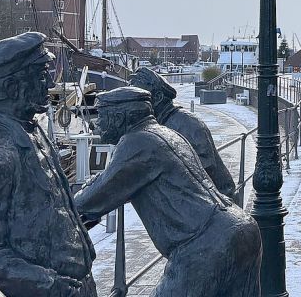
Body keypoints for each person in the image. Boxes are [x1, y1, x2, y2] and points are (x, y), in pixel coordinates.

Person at [74, 87, 261, 296]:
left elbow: (90, 201)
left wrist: (75, 193)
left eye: (101, 116)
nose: (95, 123)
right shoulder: (167, 133)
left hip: (204, 245)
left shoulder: (136, 142)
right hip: (239, 227)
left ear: (119, 118)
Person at [0, 32, 96, 296]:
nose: (50, 81)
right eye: (41, 74)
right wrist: (49, 285)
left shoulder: (29, 131)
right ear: (12, 86)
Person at [130, 67, 236, 198]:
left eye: (140, 99)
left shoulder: (189, 125)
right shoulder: (154, 125)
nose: (133, 105)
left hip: (215, 204)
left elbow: (203, 173)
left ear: (157, 97)